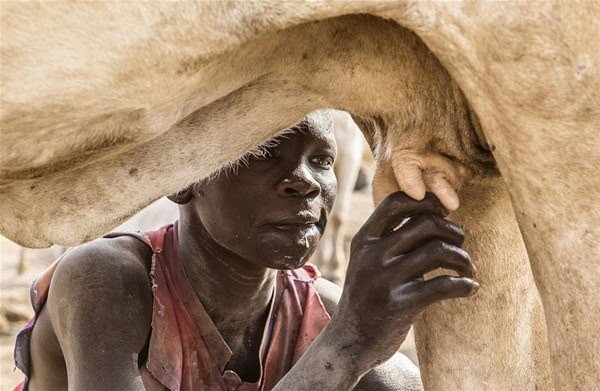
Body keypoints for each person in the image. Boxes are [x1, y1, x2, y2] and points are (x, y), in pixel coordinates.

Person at [13, 111, 478, 390]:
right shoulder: (106, 279)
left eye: (321, 160)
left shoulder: (328, 315)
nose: (306, 182)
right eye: (263, 153)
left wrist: (359, 345)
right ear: (183, 179)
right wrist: (349, 346)